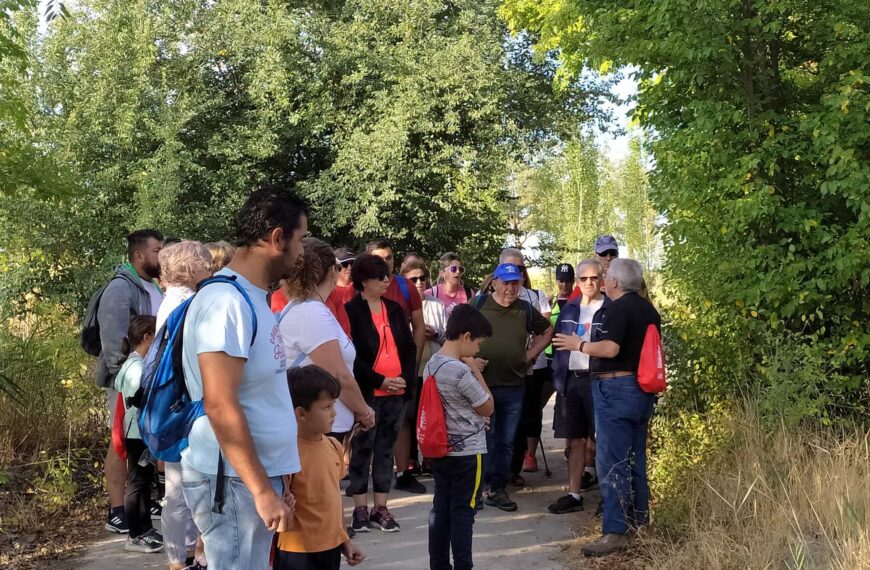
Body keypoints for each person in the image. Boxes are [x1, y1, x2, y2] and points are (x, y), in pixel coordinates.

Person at [180, 186, 307, 569]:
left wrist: (275, 480)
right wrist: (261, 489)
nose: (302, 252)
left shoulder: (251, 298)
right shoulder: (227, 303)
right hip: (234, 482)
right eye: (300, 240)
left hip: (248, 479)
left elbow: (260, 394)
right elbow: (220, 403)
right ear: (277, 238)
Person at [556, 259, 660, 557]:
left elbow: (610, 348)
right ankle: (639, 523)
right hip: (640, 390)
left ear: (614, 282)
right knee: (635, 458)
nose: (602, 281)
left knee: (611, 461)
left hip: (616, 389)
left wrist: (579, 345)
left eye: (605, 276)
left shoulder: (619, 308)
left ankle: (615, 531)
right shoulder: (648, 309)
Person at [97, 228, 164, 534]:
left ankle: (139, 502)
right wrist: (129, 378)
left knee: (141, 440)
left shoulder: (152, 286)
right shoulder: (120, 289)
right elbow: (113, 342)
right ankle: (116, 510)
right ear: (139, 255)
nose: (161, 255)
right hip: (126, 381)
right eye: (156, 250)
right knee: (120, 441)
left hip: (148, 379)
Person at [345, 254, 417, 533]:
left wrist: (404, 380)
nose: (387, 280)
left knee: (386, 449)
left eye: (387, 275)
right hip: (368, 392)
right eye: (380, 276)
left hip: (396, 392)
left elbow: (409, 348)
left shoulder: (395, 309)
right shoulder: (352, 311)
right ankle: (360, 509)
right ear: (364, 281)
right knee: (362, 449)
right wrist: (380, 380)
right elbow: (353, 356)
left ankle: (381, 508)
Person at [278, 237, 375, 442]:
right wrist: (364, 410)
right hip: (321, 431)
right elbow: (339, 375)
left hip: (322, 425)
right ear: (332, 271)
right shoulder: (312, 313)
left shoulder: (301, 308)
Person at [473, 263, 552, 511]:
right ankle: (476, 490)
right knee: (481, 439)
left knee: (506, 441)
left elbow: (547, 331)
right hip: (480, 386)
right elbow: (456, 335)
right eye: (506, 282)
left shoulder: (525, 309)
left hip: (513, 385)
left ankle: (497, 489)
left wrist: (531, 354)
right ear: (494, 283)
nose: (510, 288)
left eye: (515, 283)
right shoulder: (478, 305)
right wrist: (469, 359)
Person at [155, 241, 213, 570]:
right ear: (191, 267)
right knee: (184, 485)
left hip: (175, 403)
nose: (211, 267)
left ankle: (184, 555)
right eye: (206, 262)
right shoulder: (187, 303)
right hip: (186, 402)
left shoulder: (171, 300)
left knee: (179, 485)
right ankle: (184, 556)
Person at [274, 366, 366, 570]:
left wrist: (344, 539)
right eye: (326, 407)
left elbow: (334, 498)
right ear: (301, 413)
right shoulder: (287, 454)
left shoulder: (334, 446)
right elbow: (280, 509)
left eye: (334, 405)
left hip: (331, 548)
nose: (334, 413)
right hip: (297, 551)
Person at [426, 304, 494, 570]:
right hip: (468, 452)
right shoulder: (460, 370)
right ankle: (464, 565)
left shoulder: (432, 364)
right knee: (464, 512)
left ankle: (439, 565)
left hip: (441, 448)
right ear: (466, 336)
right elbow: (487, 406)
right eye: (478, 343)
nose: (477, 350)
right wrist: (474, 369)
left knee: (441, 509)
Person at [365, 238, 427, 493]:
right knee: (368, 419)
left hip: (400, 367)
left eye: (389, 258)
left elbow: (419, 326)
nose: (385, 263)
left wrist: (412, 363)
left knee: (401, 420)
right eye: (379, 258)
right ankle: (367, 475)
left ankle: (403, 473)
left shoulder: (405, 286)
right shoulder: (359, 288)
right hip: (369, 369)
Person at [549, 260, 609, 515]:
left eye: (594, 278)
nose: (589, 283)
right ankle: (574, 494)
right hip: (571, 380)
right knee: (575, 439)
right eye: (584, 279)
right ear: (577, 282)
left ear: (602, 279)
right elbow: (557, 344)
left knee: (603, 440)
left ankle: (609, 497)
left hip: (599, 380)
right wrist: (559, 379)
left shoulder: (610, 309)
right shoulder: (569, 309)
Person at [498, 248, 552, 480]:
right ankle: (495, 474)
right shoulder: (484, 297)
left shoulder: (532, 297)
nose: (516, 274)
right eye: (510, 269)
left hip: (529, 370)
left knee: (524, 417)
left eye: (520, 269)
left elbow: (545, 329)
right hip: (493, 372)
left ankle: (515, 467)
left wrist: (530, 353)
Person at [113, 315, 163, 553]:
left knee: (143, 483)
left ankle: (144, 529)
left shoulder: (136, 363)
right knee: (136, 483)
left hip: (140, 431)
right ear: (147, 337)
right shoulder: (136, 367)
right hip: (137, 432)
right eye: (157, 336)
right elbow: (140, 399)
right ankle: (135, 535)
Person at [401, 258, 449, 473]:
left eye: (422, 278)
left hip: (433, 369)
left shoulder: (436, 304)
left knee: (431, 414)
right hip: (410, 368)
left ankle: (430, 456)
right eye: (413, 279)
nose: (419, 283)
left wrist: (435, 332)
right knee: (409, 415)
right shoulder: (398, 303)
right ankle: (411, 458)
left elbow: (448, 337)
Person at [425, 253, 475, 317]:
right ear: (442, 273)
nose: (458, 272)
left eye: (460, 269)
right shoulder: (430, 294)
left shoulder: (469, 293)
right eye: (453, 269)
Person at [324, 247, 356, 337]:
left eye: (352, 263)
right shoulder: (328, 292)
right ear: (336, 267)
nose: (349, 268)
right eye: (345, 264)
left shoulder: (362, 288)